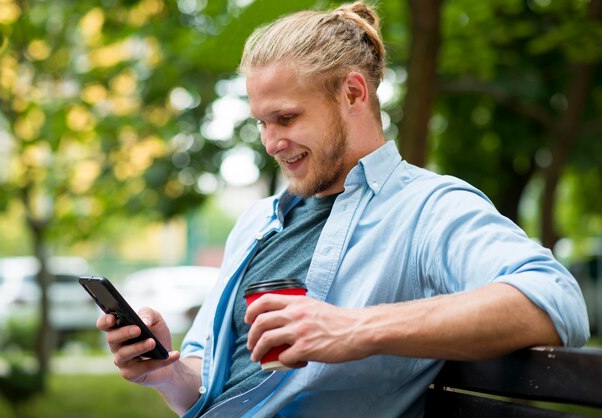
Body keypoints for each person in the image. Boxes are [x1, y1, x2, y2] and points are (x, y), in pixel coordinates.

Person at [97, 2, 590, 417]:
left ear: (353, 92)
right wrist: (164, 369)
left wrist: (356, 327)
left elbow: (554, 299)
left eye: (286, 117)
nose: (271, 142)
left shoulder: (428, 208)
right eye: (262, 123)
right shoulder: (257, 222)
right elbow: (203, 389)